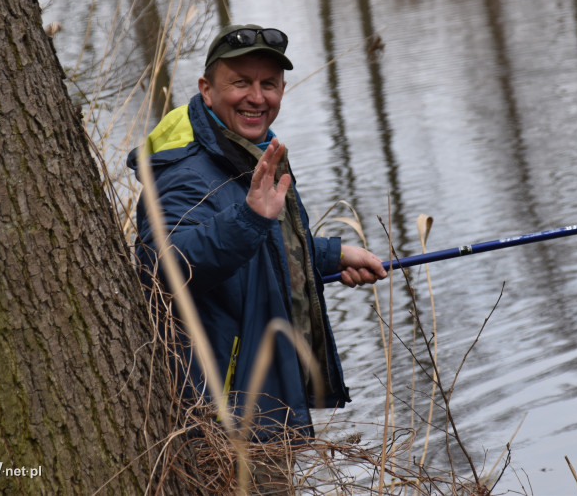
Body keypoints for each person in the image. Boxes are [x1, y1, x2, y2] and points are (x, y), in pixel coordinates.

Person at [127, 23, 386, 439]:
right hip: (222, 422)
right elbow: (162, 265)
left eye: (270, 84)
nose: (257, 97)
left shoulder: (246, 151)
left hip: (260, 408)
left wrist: (328, 256)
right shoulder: (186, 173)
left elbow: (257, 248)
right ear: (206, 89)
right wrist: (249, 220)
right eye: (241, 82)